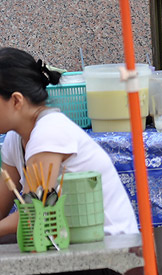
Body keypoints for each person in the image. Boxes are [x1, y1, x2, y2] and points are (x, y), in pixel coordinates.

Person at [0, 47, 139, 238]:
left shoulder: (49, 132)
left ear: (16, 100)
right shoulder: (14, 139)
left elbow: (33, 213)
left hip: (110, 246)